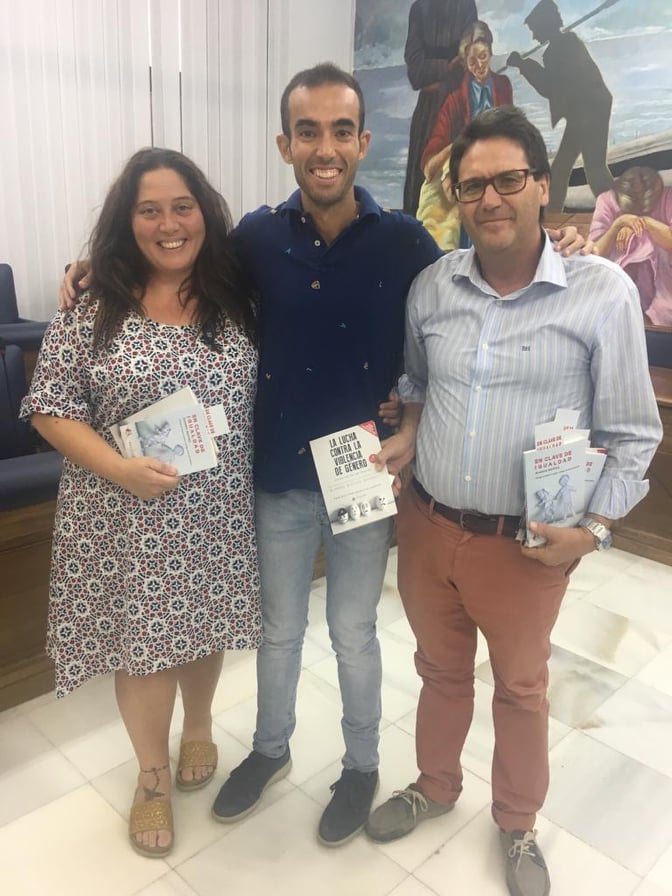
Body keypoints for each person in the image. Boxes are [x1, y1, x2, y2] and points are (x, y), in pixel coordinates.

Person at [60, 65, 589, 850]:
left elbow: (464, 295)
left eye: (341, 130)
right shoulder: (253, 239)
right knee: (277, 631)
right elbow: (175, 261)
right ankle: (270, 748)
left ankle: (361, 765)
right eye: (308, 132)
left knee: (352, 632)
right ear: (286, 145)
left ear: (363, 140)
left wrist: (564, 242)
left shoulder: (406, 242)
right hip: (276, 474)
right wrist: (89, 271)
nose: (325, 147)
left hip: (363, 477)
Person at [366, 106, 662, 896]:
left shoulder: (600, 295)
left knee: (522, 688)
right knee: (439, 671)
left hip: (526, 546)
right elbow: (417, 382)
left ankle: (518, 822)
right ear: (457, 197)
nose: (490, 199)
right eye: (473, 186)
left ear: (541, 185)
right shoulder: (434, 287)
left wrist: (593, 530)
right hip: (428, 526)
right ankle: (435, 786)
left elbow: (634, 434)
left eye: (507, 180)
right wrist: (409, 429)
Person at [23, 148, 261, 859]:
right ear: (126, 222)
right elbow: (49, 408)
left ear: (204, 214)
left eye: (182, 207)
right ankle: (151, 776)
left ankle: (200, 726)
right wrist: (120, 470)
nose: (168, 224)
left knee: (204, 628)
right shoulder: (93, 306)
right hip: (124, 514)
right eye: (149, 210)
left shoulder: (238, 298)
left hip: (214, 512)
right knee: (143, 648)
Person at [506, 0, 613, 212]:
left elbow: (549, 86)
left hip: (589, 113)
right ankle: (553, 216)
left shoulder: (563, 47)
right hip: (582, 114)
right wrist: (523, 64)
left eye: (534, 30)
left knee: (594, 169)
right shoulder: (562, 46)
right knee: (561, 169)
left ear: (544, 25)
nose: (534, 36)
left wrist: (522, 64)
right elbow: (555, 85)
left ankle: (621, 215)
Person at [417, 20, 512, 250]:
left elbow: (512, 132)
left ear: (491, 52)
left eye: (483, 56)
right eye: (472, 61)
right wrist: (459, 145)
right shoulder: (454, 100)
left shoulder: (503, 86)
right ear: (465, 64)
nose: (479, 65)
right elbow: (430, 162)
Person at [402, 0, 478, 216]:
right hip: (428, 112)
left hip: (459, 107)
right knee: (419, 195)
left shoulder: (466, 6)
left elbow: (467, 62)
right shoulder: (419, 8)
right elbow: (415, 73)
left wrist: (436, 74)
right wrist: (447, 67)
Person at [590, 166, 672, 326]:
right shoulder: (607, 200)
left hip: (663, 280)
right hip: (622, 279)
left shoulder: (668, 197)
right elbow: (594, 253)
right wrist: (618, 225)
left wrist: (644, 223)